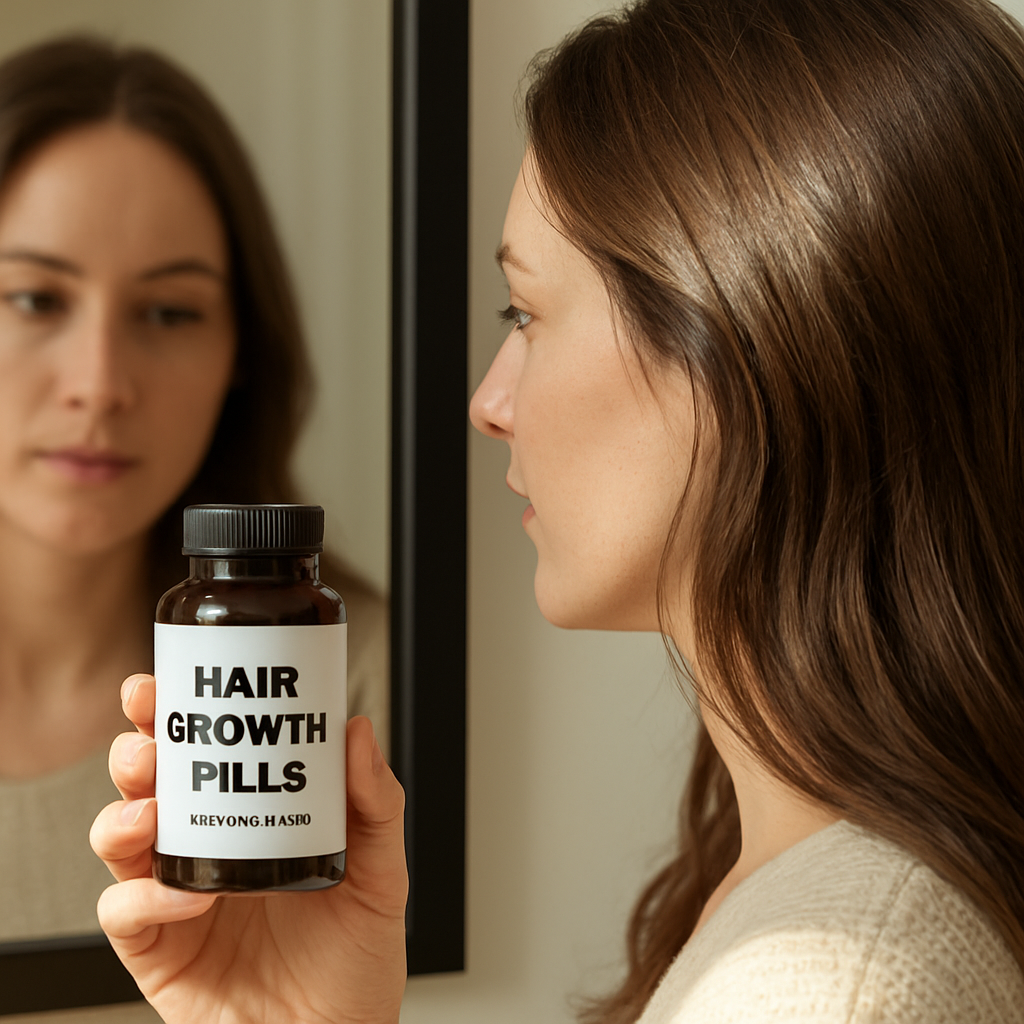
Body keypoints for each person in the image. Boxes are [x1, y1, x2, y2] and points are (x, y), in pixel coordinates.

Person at [91, 0, 1024, 1020]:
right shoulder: (794, 885)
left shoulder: (826, 980)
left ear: (758, 337)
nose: (488, 404)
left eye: (525, 313)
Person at [0, 36, 388, 943]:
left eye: (169, 312)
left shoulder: (355, 671)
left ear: (241, 356)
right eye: (32, 299)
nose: (99, 384)